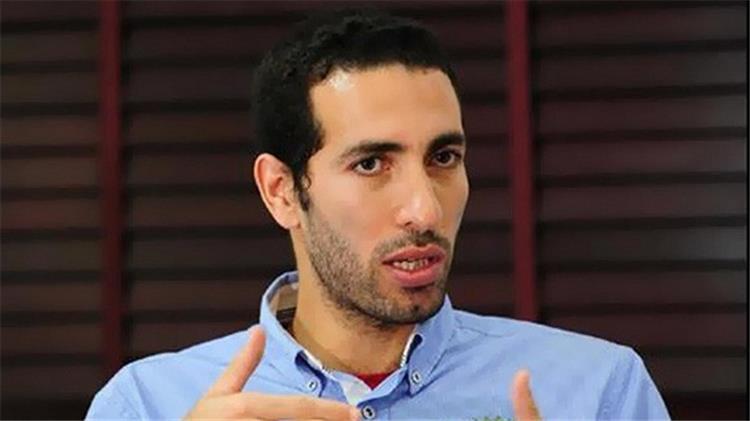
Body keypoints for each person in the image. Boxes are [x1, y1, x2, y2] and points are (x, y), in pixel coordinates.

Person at [86, 8, 670, 420]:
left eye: (443, 158)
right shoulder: (148, 405)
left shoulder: (598, 392)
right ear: (282, 191)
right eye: (371, 164)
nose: (424, 209)